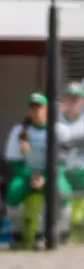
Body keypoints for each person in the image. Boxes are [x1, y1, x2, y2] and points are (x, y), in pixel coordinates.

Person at [4, 92, 73, 249]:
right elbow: (16, 162)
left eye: (40, 107)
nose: (36, 111)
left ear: (47, 109)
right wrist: (31, 177)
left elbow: (62, 162)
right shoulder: (19, 131)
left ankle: (61, 232)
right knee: (14, 190)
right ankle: (17, 235)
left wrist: (46, 177)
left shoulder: (59, 130)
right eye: (33, 107)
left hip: (53, 173)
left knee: (63, 190)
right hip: (27, 174)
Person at [58, 83, 84, 228]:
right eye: (70, 98)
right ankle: (64, 229)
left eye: (77, 99)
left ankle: (77, 226)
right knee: (61, 189)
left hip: (81, 169)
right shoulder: (55, 119)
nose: (73, 102)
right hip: (60, 168)